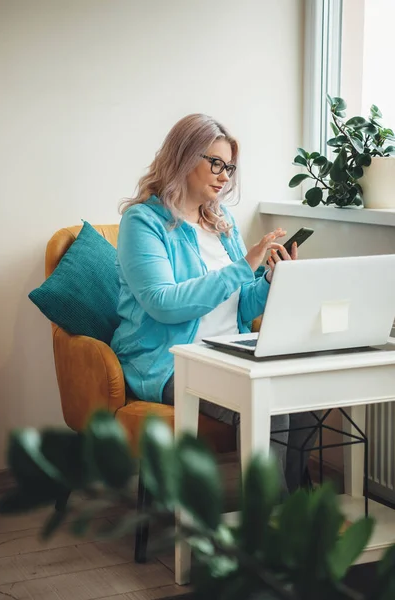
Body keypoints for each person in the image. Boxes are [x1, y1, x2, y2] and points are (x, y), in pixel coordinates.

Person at [111, 113, 317, 493]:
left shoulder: (223, 222)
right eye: (216, 163)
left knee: (304, 404)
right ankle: (271, 530)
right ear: (185, 158)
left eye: (230, 167)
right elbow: (162, 303)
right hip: (171, 359)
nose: (225, 176)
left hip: (230, 350)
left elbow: (241, 308)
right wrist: (243, 267)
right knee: (270, 410)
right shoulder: (143, 222)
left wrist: (271, 277)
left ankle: (288, 515)